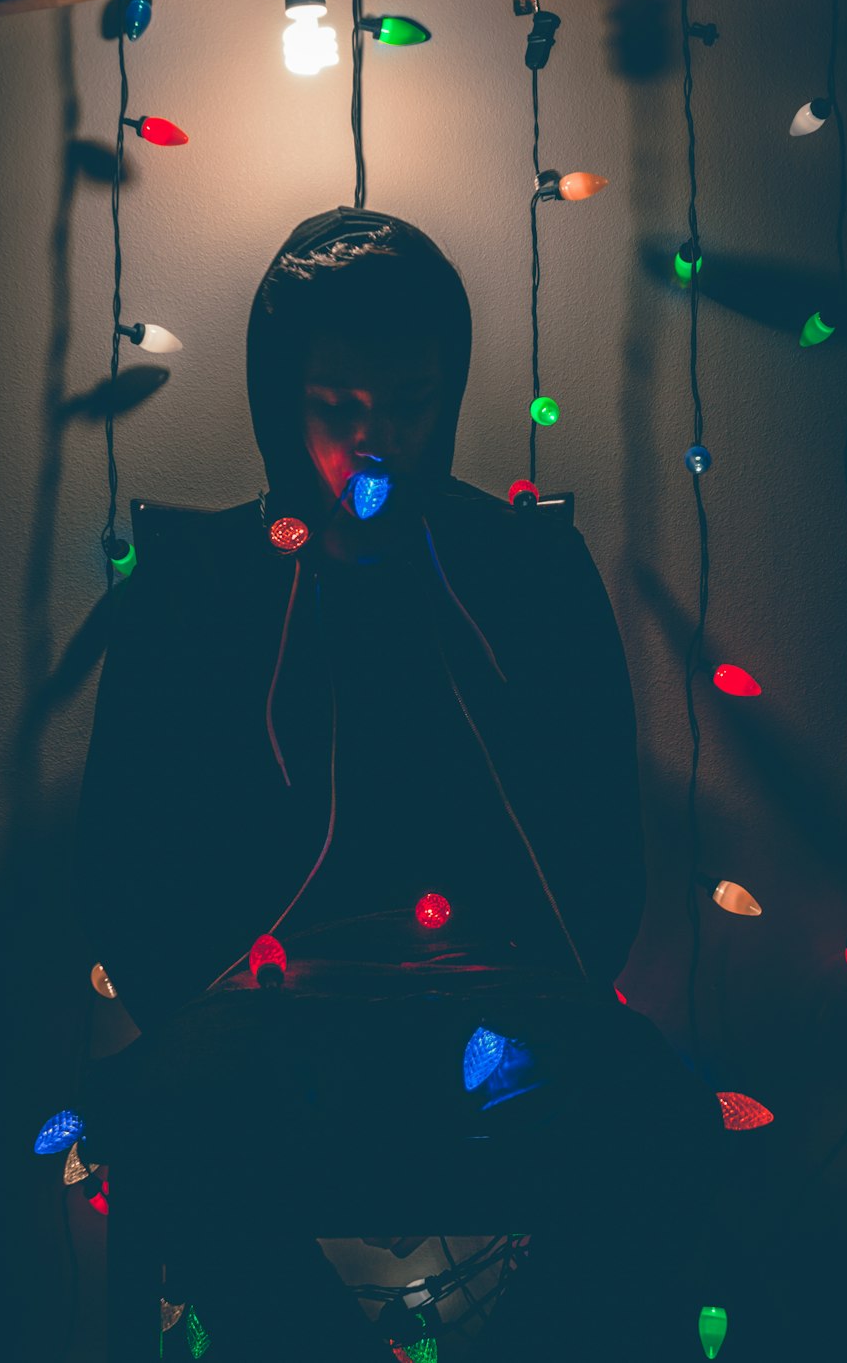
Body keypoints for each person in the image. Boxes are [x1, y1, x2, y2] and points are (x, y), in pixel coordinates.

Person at [75, 207, 726, 1361]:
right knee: (170, 1127)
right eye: (336, 406)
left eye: (411, 404)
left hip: (500, 1009)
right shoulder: (197, 589)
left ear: (452, 392)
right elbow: (127, 867)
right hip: (258, 1024)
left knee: (663, 1122)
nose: (372, 445)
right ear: (284, 395)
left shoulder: (517, 569)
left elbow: (596, 854)